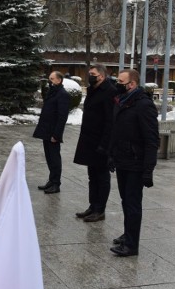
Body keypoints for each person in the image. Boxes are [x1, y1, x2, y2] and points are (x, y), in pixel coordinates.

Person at [108, 69, 159, 257]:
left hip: (136, 163)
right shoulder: (122, 101)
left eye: (121, 81)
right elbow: (117, 131)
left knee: (132, 203)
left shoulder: (143, 105)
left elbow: (152, 139)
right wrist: (111, 155)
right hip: (122, 160)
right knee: (125, 201)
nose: (117, 84)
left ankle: (131, 245)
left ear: (132, 84)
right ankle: (128, 234)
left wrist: (148, 169)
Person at [73, 63, 116, 222]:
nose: (90, 76)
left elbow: (110, 121)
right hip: (90, 140)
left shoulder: (109, 91)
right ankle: (92, 206)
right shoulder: (93, 90)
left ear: (102, 76)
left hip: (101, 143)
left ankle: (100, 209)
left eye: (93, 74)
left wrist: (105, 145)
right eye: (89, 73)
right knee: (92, 176)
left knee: (102, 176)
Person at [33, 71, 70, 194]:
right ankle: (51, 180)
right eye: (49, 78)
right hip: (46, 130)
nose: (50, 81)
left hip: (53, 132)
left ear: (59, 80)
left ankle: (56, 183)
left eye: (52, 79)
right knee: (49, 157)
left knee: (54, 158)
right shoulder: (52, 92)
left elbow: (62, 116)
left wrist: (57, 134)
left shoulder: (62, 94)